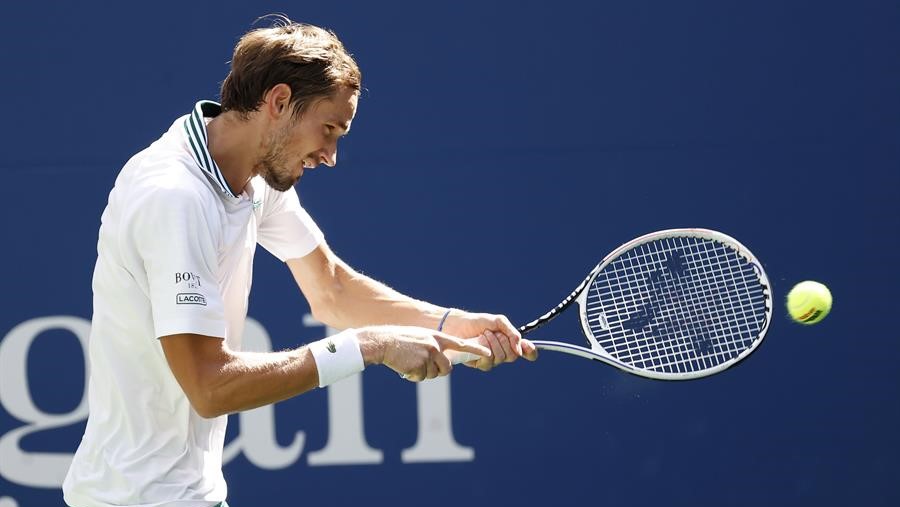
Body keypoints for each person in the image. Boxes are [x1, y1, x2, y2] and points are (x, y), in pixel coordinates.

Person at [61, 17, 536, 507]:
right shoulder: (175, 197)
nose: (330, 155)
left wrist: (452, 324)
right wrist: (370, 346)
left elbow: (331, 289)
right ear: (279, 101)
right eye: (328, 129)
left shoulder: (254, 174)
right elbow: (209, 386)